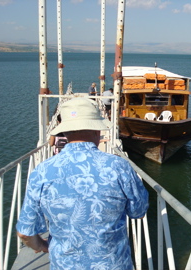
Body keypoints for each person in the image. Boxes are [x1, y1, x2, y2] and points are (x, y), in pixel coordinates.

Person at [16, 98, 149, 270]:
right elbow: (138, 211)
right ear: (96, 129)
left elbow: (25, 233)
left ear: (65, 132)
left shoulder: (42, 171)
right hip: (113, 264)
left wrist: (41, 246)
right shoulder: (119, 166)